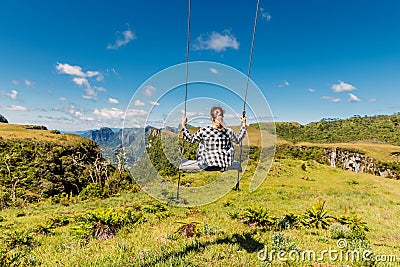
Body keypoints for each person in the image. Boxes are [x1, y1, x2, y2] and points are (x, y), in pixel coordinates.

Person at [181, 106, 246, 172]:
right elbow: (238, 140)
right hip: (223, 165)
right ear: (222, 117)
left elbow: (191, 139)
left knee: (202, 144)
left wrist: (183, 126)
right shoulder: (228, 131)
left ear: (211, 117)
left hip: (205, 165)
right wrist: (243, 125)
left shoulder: (204, 130)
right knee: (229, 145)